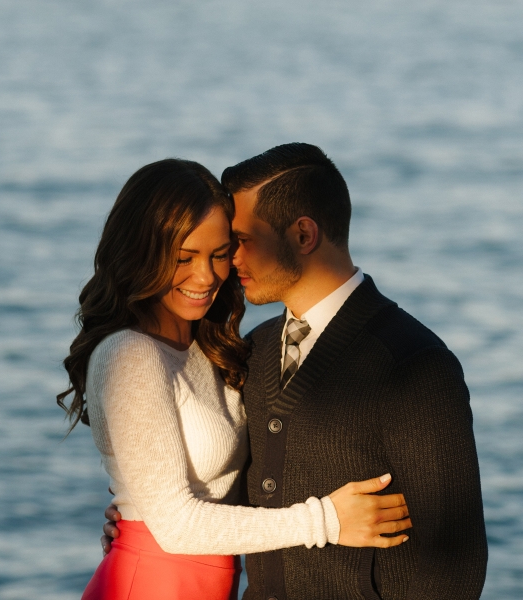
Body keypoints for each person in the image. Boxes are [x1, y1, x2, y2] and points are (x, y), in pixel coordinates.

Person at [103, 144, 488, 599]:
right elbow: (240, 494)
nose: (227, 267)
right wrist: (140, 516)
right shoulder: (253, 352)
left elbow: (454, 569)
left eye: (238, 244)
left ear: (304, 235)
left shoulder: (413, 364)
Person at [59, 158, 412, 600]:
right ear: (141, 253)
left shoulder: (206, 345)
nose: (206, 277)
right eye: (184, 258)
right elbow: (176, 526)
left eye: (219, 254)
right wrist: (327, 520)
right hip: (155, 583)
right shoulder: (129, 354)